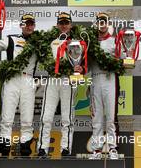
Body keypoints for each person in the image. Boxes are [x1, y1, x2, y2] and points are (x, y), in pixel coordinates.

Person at [0, 14, 37, 156]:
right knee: (7, 115)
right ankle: (4, 146)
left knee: (27, 117)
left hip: (28, 79)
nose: (28, 26)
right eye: (26, 23)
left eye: (31, 24)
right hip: (12, 79)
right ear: (21, 25)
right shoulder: (11, 38)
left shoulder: (39, 42)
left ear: (34, 26)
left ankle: (25, 146)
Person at [37, 12, 83, 158]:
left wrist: (80, 69)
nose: (64, 25)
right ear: (57, 25)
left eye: (66, 22)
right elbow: (46, 61)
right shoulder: (51, 41)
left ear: (70, 25)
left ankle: (66, 149)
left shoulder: (76, 42)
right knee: (46, 116)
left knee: (67, 117)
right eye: (61, 23)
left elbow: (82, 63)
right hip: (52, 79)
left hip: (68, 80)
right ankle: (42, 148)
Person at [89, 12, 119, 159]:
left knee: (111, 116)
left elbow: (121, 61)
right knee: (96, 117)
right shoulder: (90, 42)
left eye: (104, 21)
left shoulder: (115, 41)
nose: (102, 24)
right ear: (97, 24)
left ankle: (113, 148)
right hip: (94, 79)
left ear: (108, 23)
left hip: (110, 79)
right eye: (100, 21)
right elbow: (85, 64)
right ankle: (97, 150)